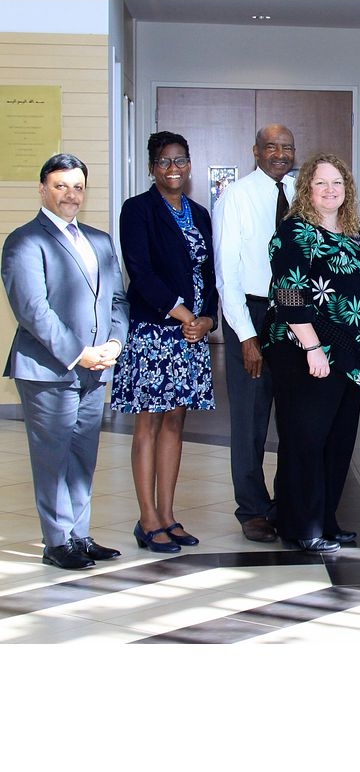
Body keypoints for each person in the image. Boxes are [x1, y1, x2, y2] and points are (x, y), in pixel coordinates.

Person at [2, 153, 128, 569]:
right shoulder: (24, 241)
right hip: (48, 371)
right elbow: (33, 310)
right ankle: (56, 543)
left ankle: (78, 535)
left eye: (77, 187)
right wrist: (80, 353)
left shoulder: (99, 240)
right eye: (60, 186)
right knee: (53, 458)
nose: (70, 195)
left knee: (82, 456)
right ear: (43, 190)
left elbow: (116, 299)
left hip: (95, 368)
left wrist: (113, 342)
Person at [261, 154, 360, 554]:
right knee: (306, 440)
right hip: (304, 350)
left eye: (338, 184)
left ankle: (326, 520)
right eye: (321, 183)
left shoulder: (355, 231)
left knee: (338, 441)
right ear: (306, 190)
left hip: (350, 353)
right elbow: (290, 293)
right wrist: (313, 347)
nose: (331, 190)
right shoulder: (294, 232)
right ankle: (301, 525)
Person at [112, 131, 218, 553]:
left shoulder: (200, 214)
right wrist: (183, 314)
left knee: (176, 422)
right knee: (149, 423)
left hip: (191, 335)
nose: (173, 169)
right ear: (152, 168)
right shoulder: (137, 211)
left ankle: (169, 515)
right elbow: (140, 271)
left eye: (180, 161)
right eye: (164, 162)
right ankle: (147, 518)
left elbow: (210, 276)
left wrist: (207, 318)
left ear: (189, 164)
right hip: (154, 330)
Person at [212, 123, 296, 543]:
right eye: (271, 147)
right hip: (255, 312)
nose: (280, 154)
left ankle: (287, 502)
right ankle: (252, 508)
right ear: (255, 151)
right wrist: (246, 336)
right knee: (250, 419)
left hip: (297, 313)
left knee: (294, 416)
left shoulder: (304, 193)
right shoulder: (236, 197)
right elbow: (226, 275)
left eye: (287, 147)